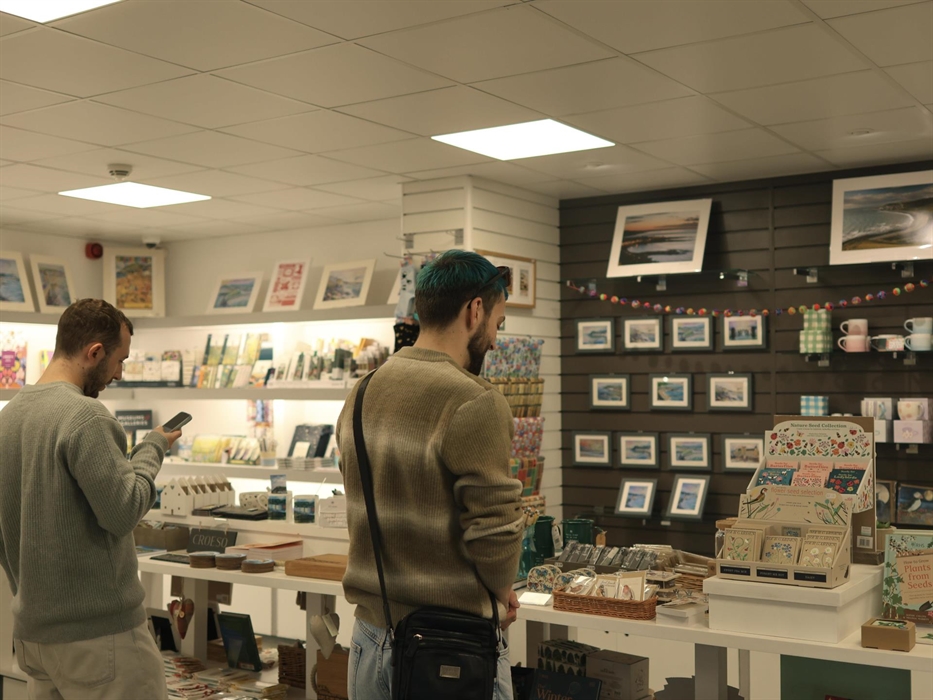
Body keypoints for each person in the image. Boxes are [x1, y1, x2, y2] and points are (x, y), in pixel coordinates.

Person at [336, 250, 525, 700]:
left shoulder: (362, 392)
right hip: (447, 647)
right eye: (497, 324)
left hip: (368, 639)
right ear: (474, 310)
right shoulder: (474, 400)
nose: (495, 342)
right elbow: (494, 528)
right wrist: (504, 591)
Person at [0, 299, 182, 700]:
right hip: (101, 639)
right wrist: (153, 447)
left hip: (34, 637)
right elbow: (123, 511)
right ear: (94, 352)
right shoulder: (87, 417)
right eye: (120, 360)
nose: (119, 373)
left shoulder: (8, 418)